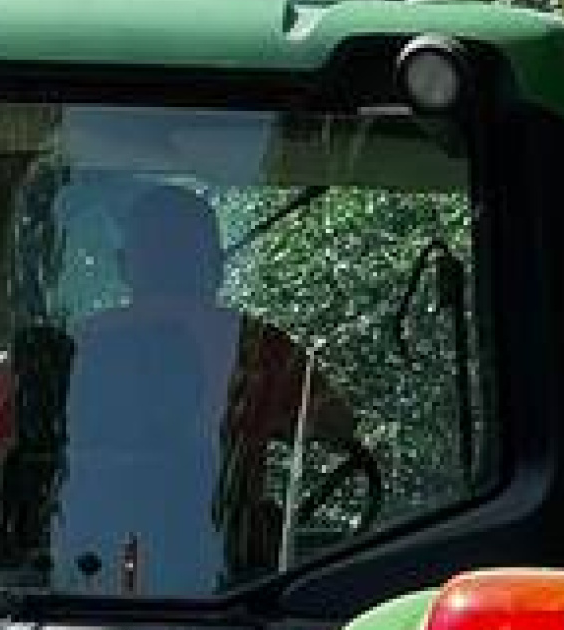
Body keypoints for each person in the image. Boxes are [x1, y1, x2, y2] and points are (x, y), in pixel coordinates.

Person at [46, 183, 354, 595]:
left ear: (124, 266)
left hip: (74, 577)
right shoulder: (260, 348)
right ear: (216, 264)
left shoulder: (68, 348)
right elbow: (338, 427)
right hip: (224, 582)